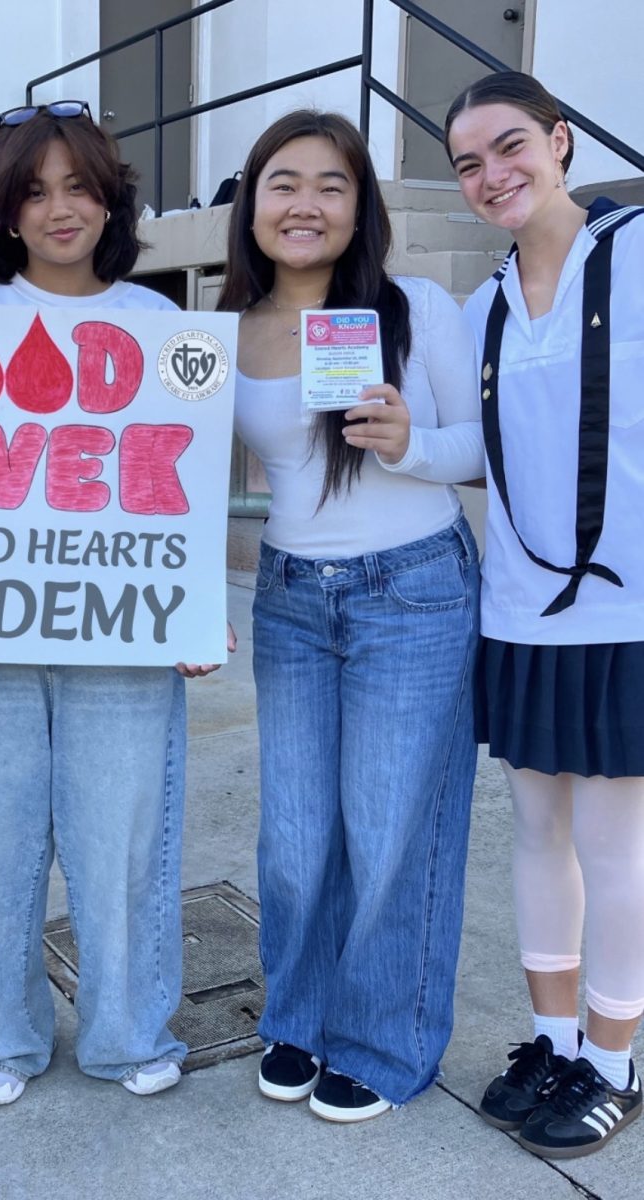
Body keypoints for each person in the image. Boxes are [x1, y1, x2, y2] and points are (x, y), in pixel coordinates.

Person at [0, 101, 228, 1107]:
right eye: (34, 191)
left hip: (122, 635)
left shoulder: (162, 327)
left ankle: (129, 1033)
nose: (60, 209)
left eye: (79, 187)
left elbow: (185, 486)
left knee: (124, 842)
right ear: (3, 211)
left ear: (110, 201)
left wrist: (193, 603)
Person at [217, 109, 483, 1121]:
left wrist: (411, 444)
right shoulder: (221, 330)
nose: (306, 204)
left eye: (331, 185)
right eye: (283, 183)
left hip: (411, 590)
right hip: (290, 597)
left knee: (388, 829)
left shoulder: (416, 308)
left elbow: (482, 448)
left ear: (360, 205)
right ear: (251, 204)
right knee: (293, 839)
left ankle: (381, 1039)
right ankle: (299, 1017)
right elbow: (168, 478)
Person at [445, 71, 644, 1159]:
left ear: (560, 141)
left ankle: (615, 1062)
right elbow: (479, 453)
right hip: (517, 610)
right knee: (535, 835)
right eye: (468, 163)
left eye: (510, 146)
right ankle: (555, 1040)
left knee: (617, 848)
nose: (492, 175)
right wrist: (399, 442)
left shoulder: (638, 253)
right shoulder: (479, 306)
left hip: (626, 612)